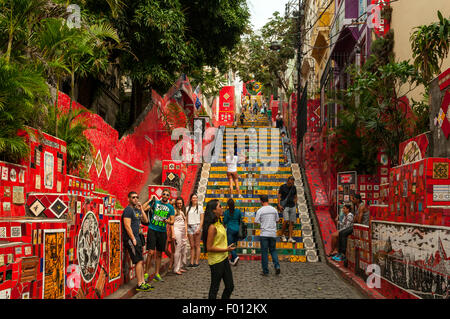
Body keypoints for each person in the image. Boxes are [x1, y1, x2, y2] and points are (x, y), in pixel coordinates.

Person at [202, 199, 235, 299]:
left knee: (230, 286)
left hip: (224, 259)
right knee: (214, 289)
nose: (222, 208)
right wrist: (226, 249)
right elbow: (209, 247)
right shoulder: (212, 227)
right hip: (216, 261)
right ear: (213, 210)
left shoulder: (219, 223)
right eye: (220, 206)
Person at [122, 191, 152, 291]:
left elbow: (146, 221)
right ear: (129, 199)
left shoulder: (137, 210)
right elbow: (127, 225)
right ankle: (139, 283)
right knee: (138, 261)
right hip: (131, 239)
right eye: (133, 197)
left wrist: (141, 209)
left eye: (137, 197)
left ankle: (143, 282)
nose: (136, 199)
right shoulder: (128, 210)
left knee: (141, 260)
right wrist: (133, 239)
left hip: (138, 237)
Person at [143, 189, 175, 282]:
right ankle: (146, 273)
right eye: (164, 194)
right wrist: (149, 201)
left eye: (167, 195)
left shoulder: (170, 208)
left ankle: (157, 274)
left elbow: (172, 221)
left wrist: (167, 221)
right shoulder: (155, 203)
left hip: (162, 232)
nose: (165, 196)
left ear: (169, 197)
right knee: (150, 253)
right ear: (161, 195)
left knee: (159, 253)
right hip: (152, 230)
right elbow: (144, 209)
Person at [255, 195, 281, 276]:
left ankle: (265, 271)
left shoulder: (260, 210)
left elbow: (256, 222)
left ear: (261, 201)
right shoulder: (274, 210)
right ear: (268, 200)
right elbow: (277, 220)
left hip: (264, 234)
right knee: (273, 250)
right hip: (273, 233)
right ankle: (277, 266)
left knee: (264, 252)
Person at [277, 176, 297, 243]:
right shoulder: (282, 187)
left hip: (292, 206)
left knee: (292, 222)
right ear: (288, 180)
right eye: (291, 180)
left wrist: (295, 203)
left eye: (293, 181)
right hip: (285, 206)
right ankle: (282, 235)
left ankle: (290, 237)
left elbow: (295, 196)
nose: (292, 182)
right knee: (286, 220)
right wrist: (279, 204)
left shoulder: (294, 188)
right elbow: (279, 196)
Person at [186, 193, 204, 268]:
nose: (195, 199)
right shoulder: (187, 208)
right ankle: (191, 261)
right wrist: (186, 229)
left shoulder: (200, 208)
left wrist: (199, 228)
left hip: (197, 226)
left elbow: (202, 219)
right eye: (193, 198)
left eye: (196, 198)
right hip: (189, 226)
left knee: (197, 245)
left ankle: (196, 261)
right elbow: (186, 219)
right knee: (192, 246)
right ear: (191, 199)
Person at [223, 198, 242, 266]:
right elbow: (240, 219)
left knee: (229, 245)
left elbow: (225, 221)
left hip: (230, 229)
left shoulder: (226, 212)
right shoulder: (238, 211)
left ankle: (235, 256)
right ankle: (233, 259)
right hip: (237, 229)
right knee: (234, 244)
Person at [172, 197, 188, 275]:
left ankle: (180, 266)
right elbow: (171, 222)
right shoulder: (175, 211)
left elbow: (185, 222)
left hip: (182, 231)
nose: (179, 205)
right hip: (177, 230)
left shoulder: (183, 211)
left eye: (180, 203)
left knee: (182, 249)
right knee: (177, 249)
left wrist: (186, 233)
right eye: (178, 203)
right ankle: (176, 268)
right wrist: (173, 233)